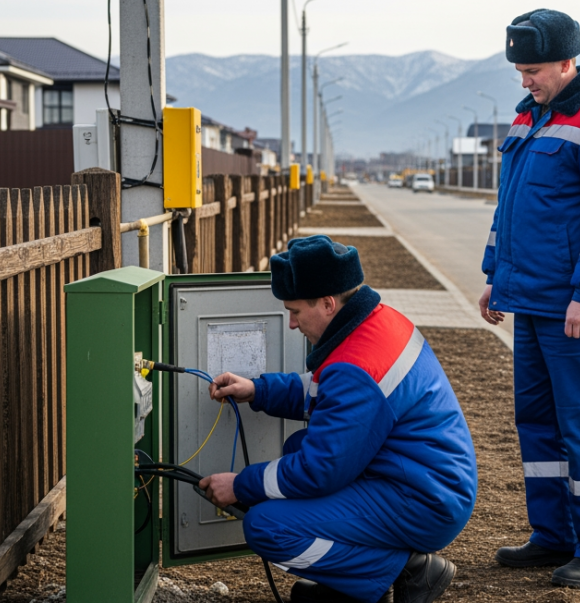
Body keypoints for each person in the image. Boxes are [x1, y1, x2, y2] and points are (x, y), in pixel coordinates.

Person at [199, 235, 477, 603]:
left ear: (328, 304)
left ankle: (405, 569)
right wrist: (257, 389)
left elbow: (320, 468)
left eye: (296, 311)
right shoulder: (372, 324)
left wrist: (241, 485)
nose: (292, 323)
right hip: (425, 478)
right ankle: (356, 580)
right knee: (297, 446)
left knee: (267, 526)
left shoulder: (356, 367)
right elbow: (326, 392)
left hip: (425, 501)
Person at [478, 9, 580, 588]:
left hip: (575, 309)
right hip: (530, 299)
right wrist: (495, 274)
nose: (526, 80)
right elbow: (511, 209)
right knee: (538, 423)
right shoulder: (529, 119)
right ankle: (553, 537)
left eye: (534, 69)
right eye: (520, 70)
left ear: (567, 62)